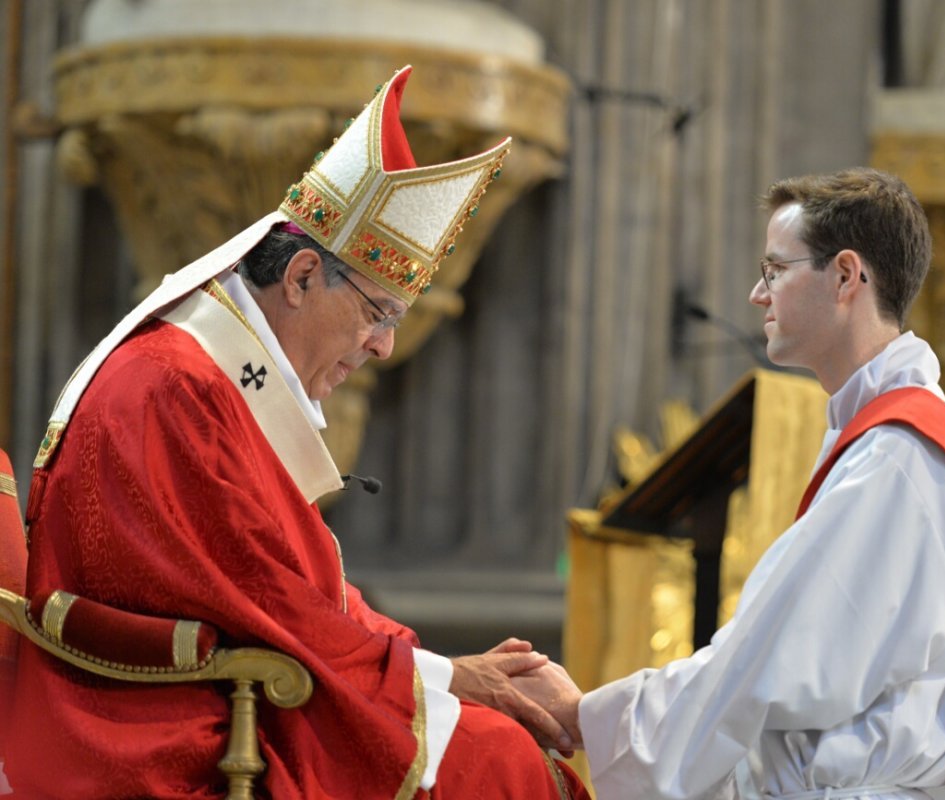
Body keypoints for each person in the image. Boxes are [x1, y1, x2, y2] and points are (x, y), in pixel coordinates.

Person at [4, 67, 588, 799]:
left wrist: (435, 668)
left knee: (498, 746)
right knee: (499, 759)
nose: (380, 345)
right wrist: (441, 677)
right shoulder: (176, 388)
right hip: (167, 724)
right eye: (379, 313)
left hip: (230, 687)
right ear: (304, 275)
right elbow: (261, 599)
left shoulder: (210, 376)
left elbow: (286, 590)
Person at [520, 168, 945, 799]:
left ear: (845, 276)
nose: (757, 293)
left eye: (775, 270)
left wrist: (586, 716)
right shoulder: (886, 434)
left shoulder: (896, 454)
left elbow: (764, 663)